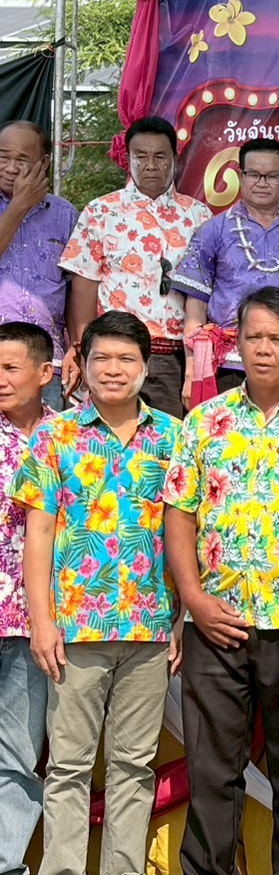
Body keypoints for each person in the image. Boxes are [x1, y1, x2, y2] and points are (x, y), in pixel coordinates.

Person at [162, 288, 279, 875]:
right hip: (215, 622)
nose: (263, 349)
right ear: (236, 344)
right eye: (253, 337)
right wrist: (193, 599)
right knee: (211, 771)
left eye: (277, 339)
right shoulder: (204, 420)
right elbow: (179, 514)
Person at [16, 310, 182, 875]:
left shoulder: (174, 437)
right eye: (101, 358)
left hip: (150, 629)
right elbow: (39, 534)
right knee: (68, 767)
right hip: (75, 629)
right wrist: (42, 622)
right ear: (81, 365)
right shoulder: (55, 435)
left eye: (126, 358)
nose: (113, 369)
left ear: (146, 366)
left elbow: (185, 534)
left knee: (133, 768)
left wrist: (179, 622)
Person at [58, 117, 212, 418]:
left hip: (173, 358)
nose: (150, 165)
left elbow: (204, 294)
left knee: (166, 439)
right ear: (127, 158)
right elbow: (84, 286)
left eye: (160, 156)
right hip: (115, 354)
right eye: (141, 156)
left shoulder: (198, 215)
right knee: (109, 438)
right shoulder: (101, 211)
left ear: (175, 158)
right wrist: (84, 350)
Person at [173, 137, 279, 409]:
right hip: (229, 364)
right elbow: (195, 308)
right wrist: (192, 370)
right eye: (254, 174)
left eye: (272, 176)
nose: (262, 183)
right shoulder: (213, 231)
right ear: (240, 177)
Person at [0, 321, 55, 873]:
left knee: (17, 754)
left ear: (44, 373)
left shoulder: (68, 436)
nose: (0, 378)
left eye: (10, 368)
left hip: (32, 621)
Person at [0, 120, 77, 410]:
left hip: (48, 364)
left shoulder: (65, 214)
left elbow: (75, 289)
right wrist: (19, 205)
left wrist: (77, 348)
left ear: (44, 163)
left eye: (21, 160)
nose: (10, 167)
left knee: (47, 437)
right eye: (3, 157)